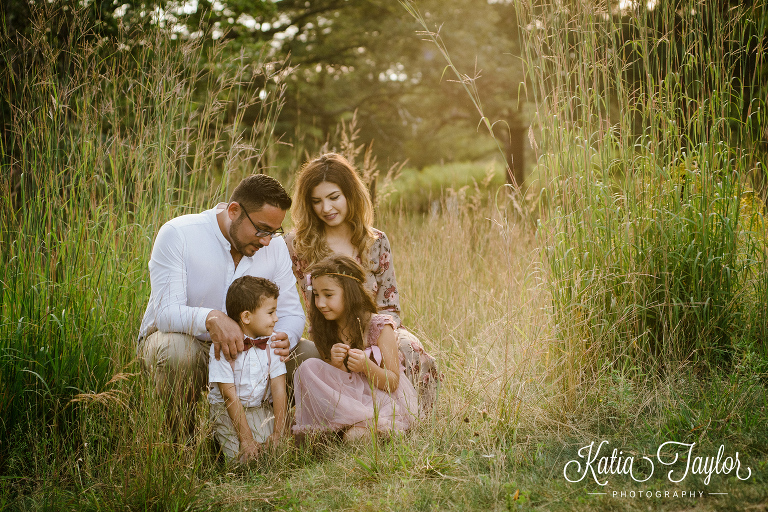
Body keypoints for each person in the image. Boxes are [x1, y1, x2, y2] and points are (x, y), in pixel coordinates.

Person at [138, 174, 310, 436]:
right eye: (261, 230)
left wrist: (283, 336)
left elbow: (292, 313)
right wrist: (212, 318)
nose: (267, 241)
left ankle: (272, 431)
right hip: (187, 342)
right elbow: (165, 313)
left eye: (274, 232)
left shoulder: (274, 246)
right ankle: (184, 446)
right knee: (175, 354)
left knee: (311, 356)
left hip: (253, 347)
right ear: (234, 210)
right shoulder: (178, 234)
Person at [285, 153, 438, 418]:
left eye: (334, 197)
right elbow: (305, 304)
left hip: (378, 330)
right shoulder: (298, 245)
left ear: (350, 195)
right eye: (317, 201)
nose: (326, 208)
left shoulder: (374, 241)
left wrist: (372, 339)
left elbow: (390, 305)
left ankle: (412, 420)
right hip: (329, 331)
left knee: (410, 349)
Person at [292, 255, 417, 440]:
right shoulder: (322, 328)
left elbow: (392, 383)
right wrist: (336, 364)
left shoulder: (380, 327)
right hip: (347, 400)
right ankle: (342, 428)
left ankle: (372, 427)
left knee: (355, 438)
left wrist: (367, 367)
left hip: (379, 399)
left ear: (350, 293)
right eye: (316, 295)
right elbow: (340, 381)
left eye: (328, 295)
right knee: (307, 367)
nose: (320, 303)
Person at [208, 276, 287, 461]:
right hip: (228, 413)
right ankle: (218, 440)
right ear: (246, 317)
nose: (276, 319)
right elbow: (229, 396)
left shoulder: (273, 343)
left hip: (260, 409)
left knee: (277, 455)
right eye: (270, 312)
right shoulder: (223, 346)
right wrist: (247, 440)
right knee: (245, 461)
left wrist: (278, 433)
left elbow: (279, 389)